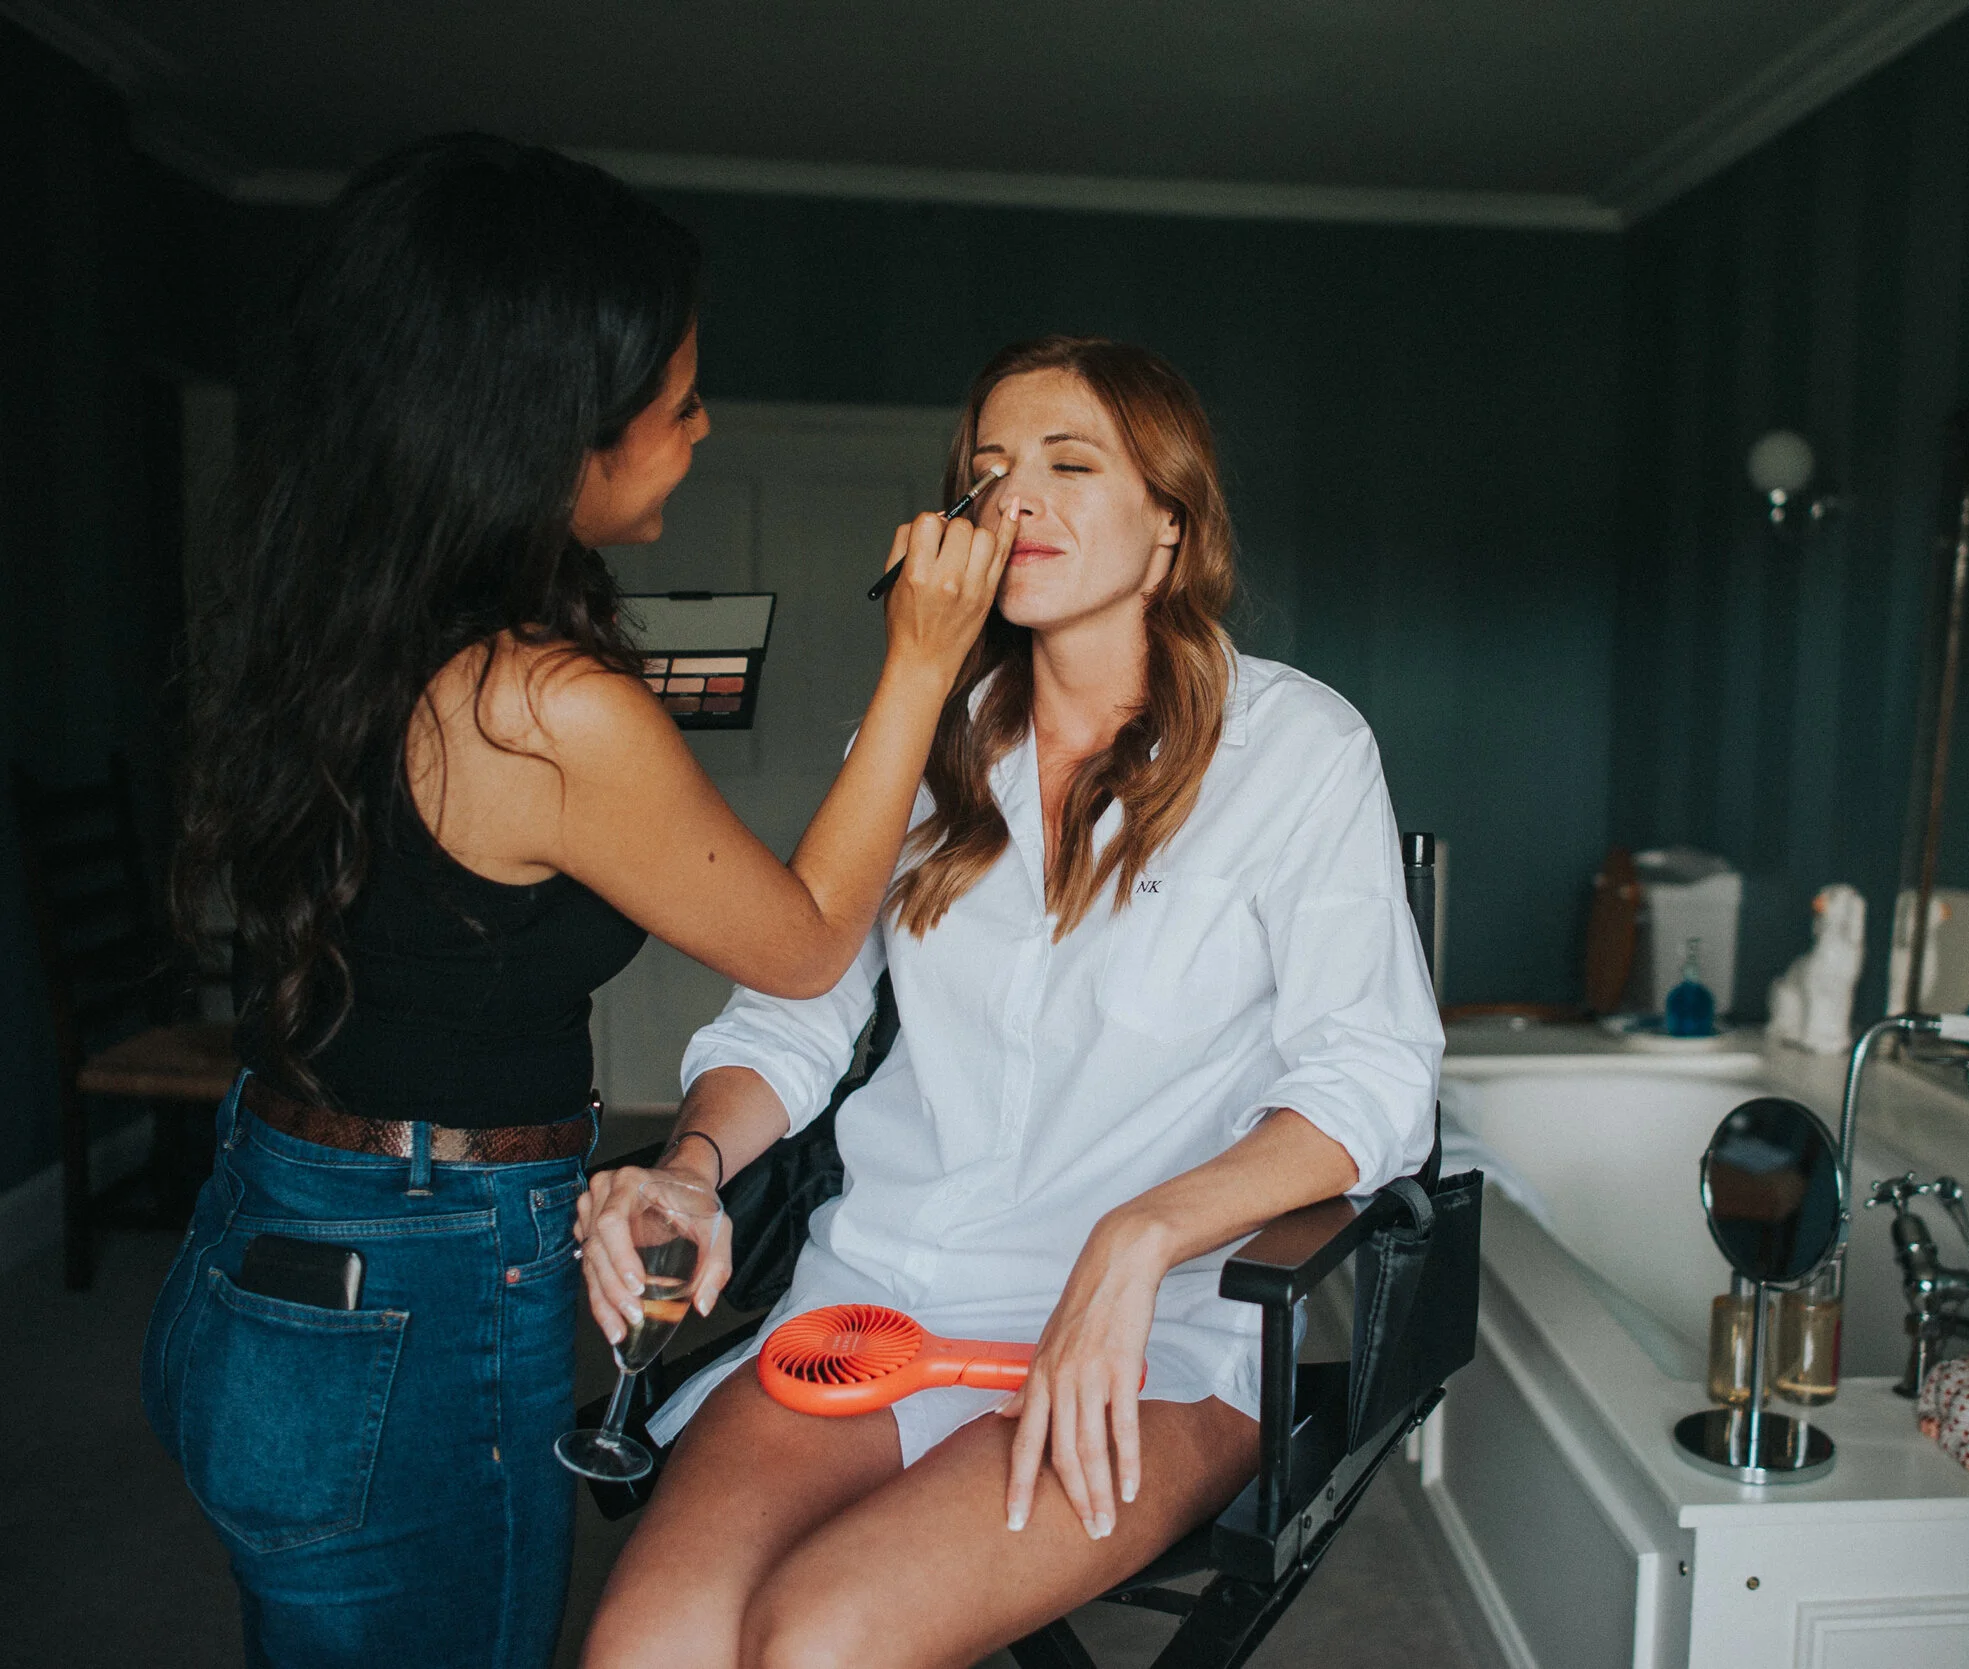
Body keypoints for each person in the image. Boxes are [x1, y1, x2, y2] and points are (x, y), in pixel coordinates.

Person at [139, 134, 1013, 1667]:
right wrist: (925, 662)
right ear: (550, 433)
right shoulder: (540, 708)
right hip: (413, 1278)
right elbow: (811, 942)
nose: (700, 428)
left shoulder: (347, 600)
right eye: (675, 405)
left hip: (272, 1228)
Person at [576, 336, 1442, 1669]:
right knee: (650, 1649)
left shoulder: (1299, 753)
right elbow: (792, 1014)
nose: (1011, 500)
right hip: (875, 1305)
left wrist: (1139, 1236)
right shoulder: (919, 741)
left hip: (1156, 1341)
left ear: (1172, 525)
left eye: (1068, 464)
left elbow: (1373, 1082)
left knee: (819, 1641)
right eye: (985, 473)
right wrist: (690, 1164)